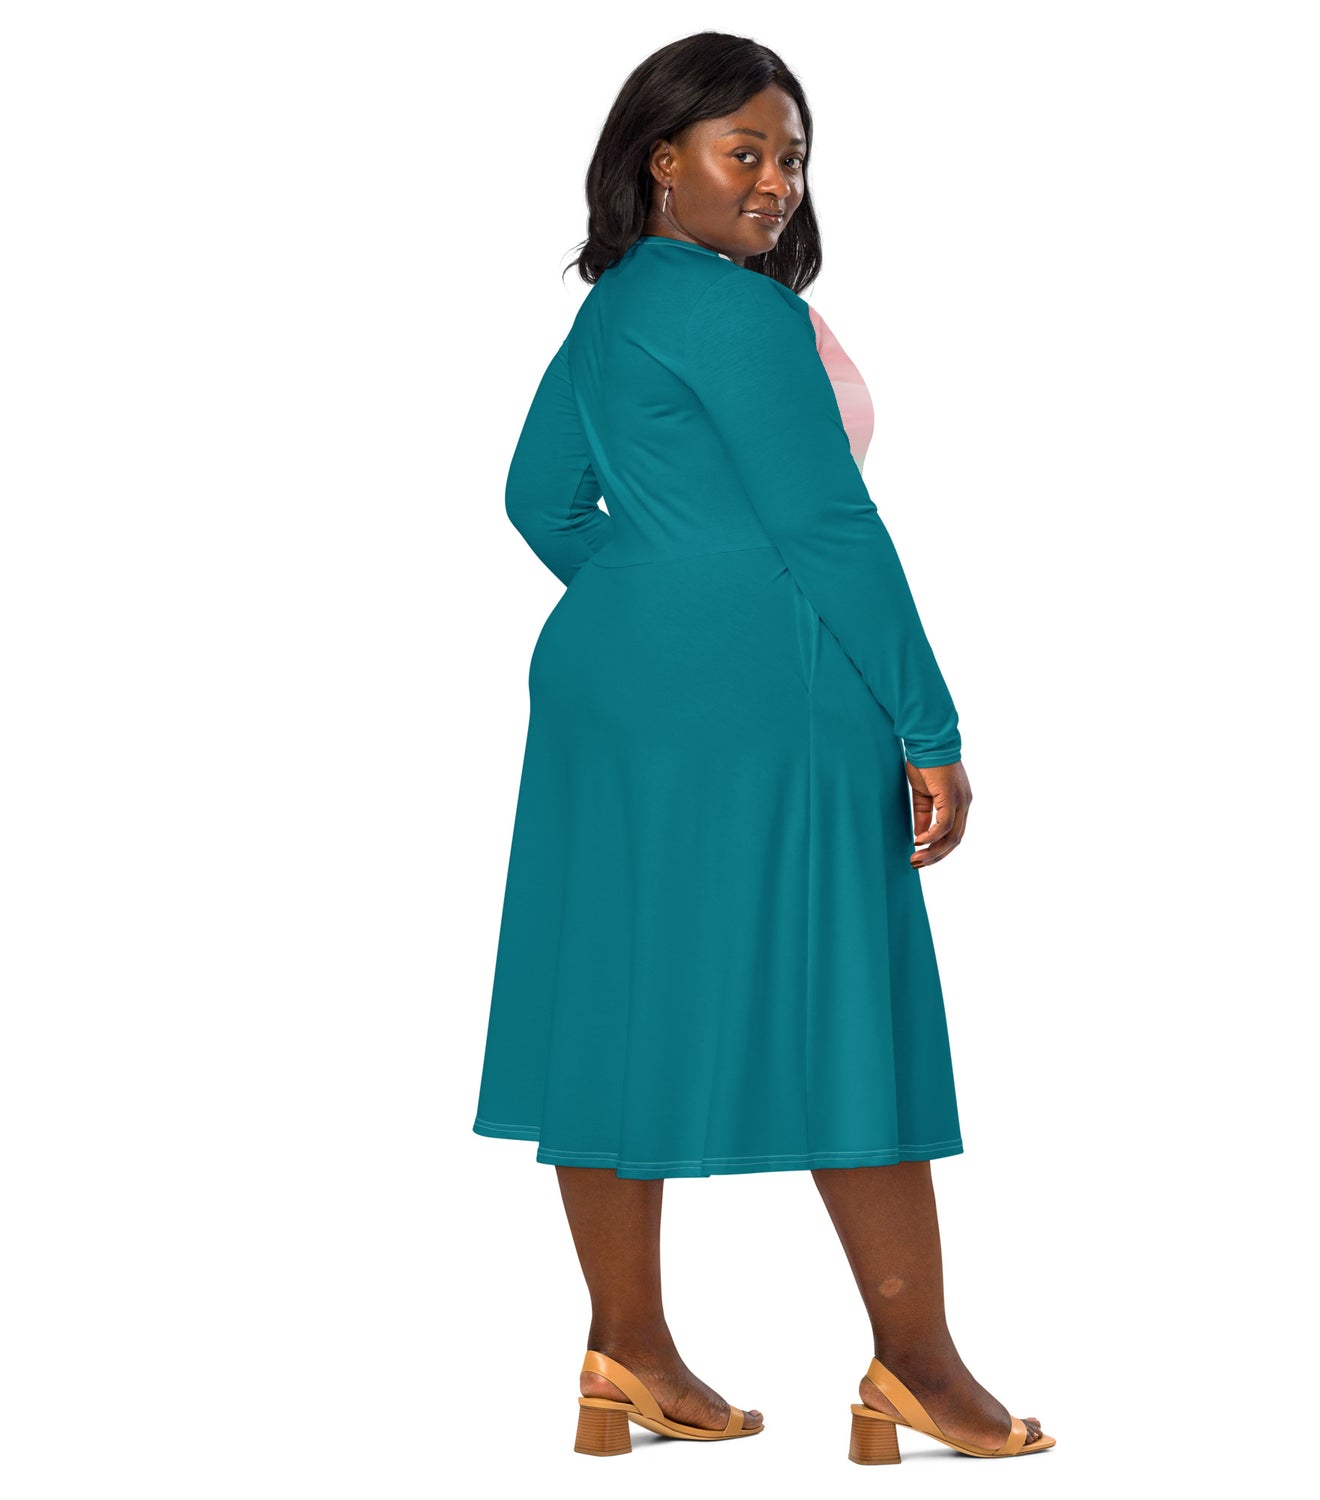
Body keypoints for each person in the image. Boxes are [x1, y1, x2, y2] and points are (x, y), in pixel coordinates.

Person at [472, 31, 1054, 1464]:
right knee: (848, 997)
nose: (777, 181)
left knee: (613, 991)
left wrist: (658, 584)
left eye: (792, 157)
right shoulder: (739, 313)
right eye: (747, 151)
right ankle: (917, 1367)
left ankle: (627, 1352)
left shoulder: (617, 305)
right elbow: (826, 525)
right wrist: (929, 723)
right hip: (773, 696)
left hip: (610, 693)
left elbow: (541, 498)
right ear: (660, 161)